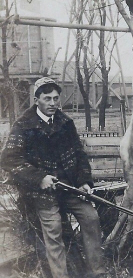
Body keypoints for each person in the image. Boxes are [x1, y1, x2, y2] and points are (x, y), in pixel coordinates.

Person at [0, 77, 106, 278]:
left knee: (91, 217)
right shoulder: (24, 125)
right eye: (47, 99)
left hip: (69, 188)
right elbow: (8, 159)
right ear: (36, 100)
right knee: (54, 231)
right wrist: (40, 178)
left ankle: (98, 272)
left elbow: (79, 154)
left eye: (56, 98)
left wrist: (84, 181)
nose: (52, 103)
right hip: (42, 193)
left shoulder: (65, 123)